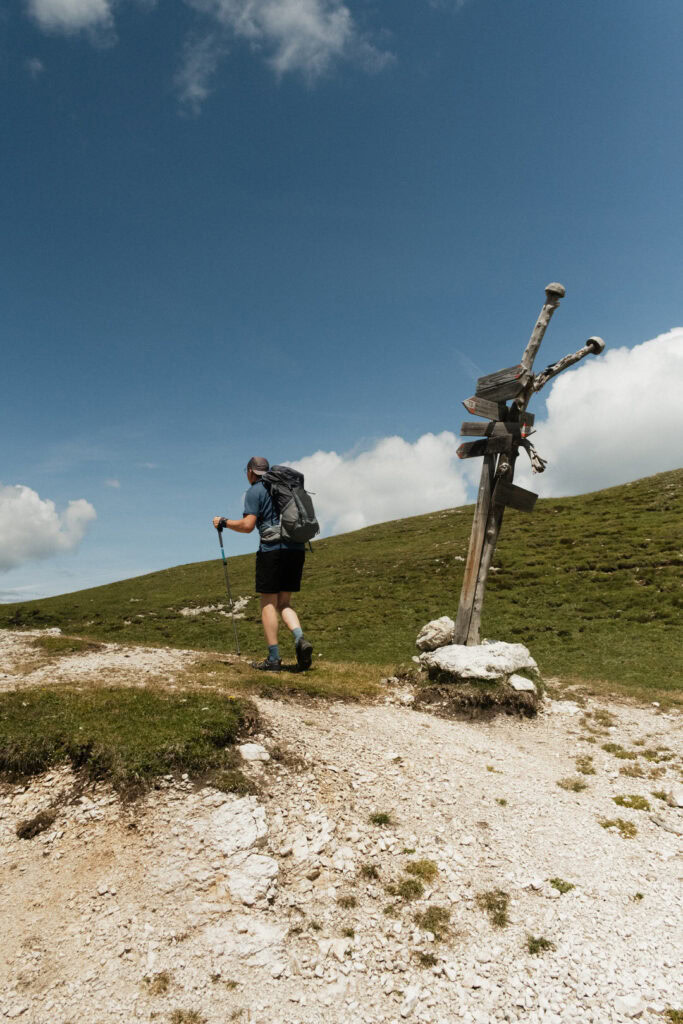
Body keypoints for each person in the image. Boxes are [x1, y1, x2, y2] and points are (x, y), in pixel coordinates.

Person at [213, 456, 313, 672]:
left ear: (250, 471)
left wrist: (224, 522)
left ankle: (274, 659)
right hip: (296, 549)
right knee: (284, 603)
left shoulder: (255, 491)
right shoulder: (286, 486)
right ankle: (300, 639)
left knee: (268, 602)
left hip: (272, 550)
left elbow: (248, 525)